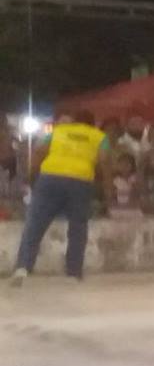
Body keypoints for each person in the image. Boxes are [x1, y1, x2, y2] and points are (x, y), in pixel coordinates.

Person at [11, 109, 105, 285]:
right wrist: (105, 186)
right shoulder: (100, 137)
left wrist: (32, 175)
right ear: (93, 124)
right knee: (77, 227)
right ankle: (73, 272)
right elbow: (105, 160)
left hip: (50, 177)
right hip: (81, 180)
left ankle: (23, 266)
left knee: (35, 224)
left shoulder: (56, 131)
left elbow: (39, 151)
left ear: (74, 121)